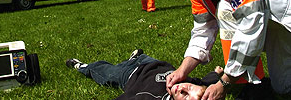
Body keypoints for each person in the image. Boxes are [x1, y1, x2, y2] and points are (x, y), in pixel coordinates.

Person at [157, 0, 291, 99]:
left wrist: (225, 82)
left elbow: (251, 26)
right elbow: (202, 31)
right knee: (282, 87)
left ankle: (247, 82)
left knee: (225, 9)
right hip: (261, 14)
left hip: (281, 2)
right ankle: (249, 82)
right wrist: (182, 70)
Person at [66, 49, 223, 100]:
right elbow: (205, 82)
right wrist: (217, 74)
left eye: (184, 96)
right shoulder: (190, 82)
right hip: (150, 62)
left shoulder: (150, 97)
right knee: (142, 57)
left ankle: (83, 66)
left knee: (105, 71)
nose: (181, 89)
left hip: (128, 75)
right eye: (188, 87)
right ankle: (135, 57)